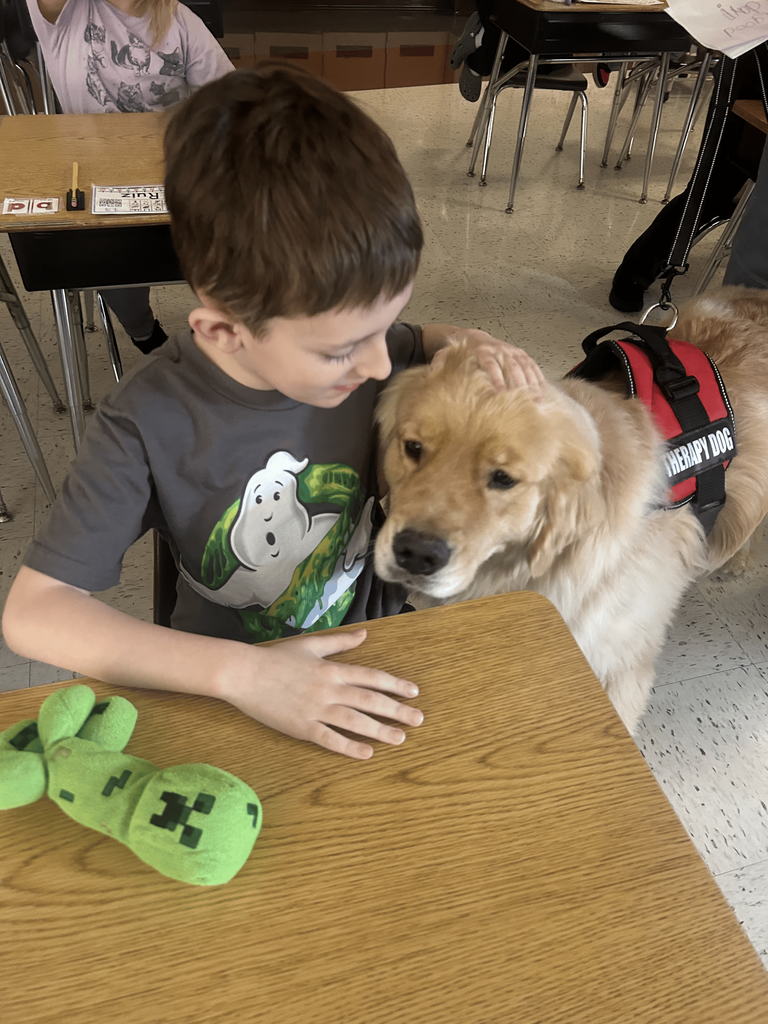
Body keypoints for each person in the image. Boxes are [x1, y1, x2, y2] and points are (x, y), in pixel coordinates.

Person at [2, 63, 544, 761]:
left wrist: (471, 341)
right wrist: (244, 674)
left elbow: (416, 342)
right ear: (224, 333)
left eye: (388, 327)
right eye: (345, 348)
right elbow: (34, 615)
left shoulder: (347, 354)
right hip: (231, 687)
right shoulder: (144, 422)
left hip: (373, 639)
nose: (382, 366)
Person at [27, 0, 234, 351]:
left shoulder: (179, 18)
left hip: (175, 172)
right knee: (112, 255)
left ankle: (236, 324)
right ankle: (144, 332)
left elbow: (229, 97)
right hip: (101, 182)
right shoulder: (66, 13)